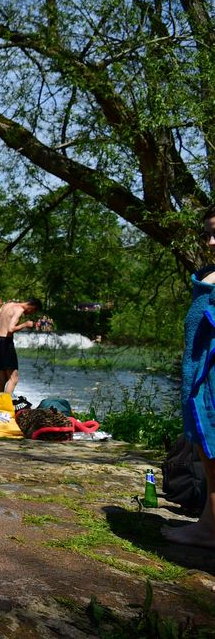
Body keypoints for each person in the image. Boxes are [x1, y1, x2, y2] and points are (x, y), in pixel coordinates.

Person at [163, 208, 215, 549]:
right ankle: (209, 527)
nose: (210, 241)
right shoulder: (210, 272)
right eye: (209, 233)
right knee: (211, 462)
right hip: (201, 378)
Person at [0, 297, 42, 395]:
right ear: (32, 306)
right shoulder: (19, 310)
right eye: (33, 311)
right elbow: (10, 329)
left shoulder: (7, 305)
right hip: (6, 342)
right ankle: (5, 404)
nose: (30, 313)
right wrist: (25, 324)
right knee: (13, 378)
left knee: (3, 378)